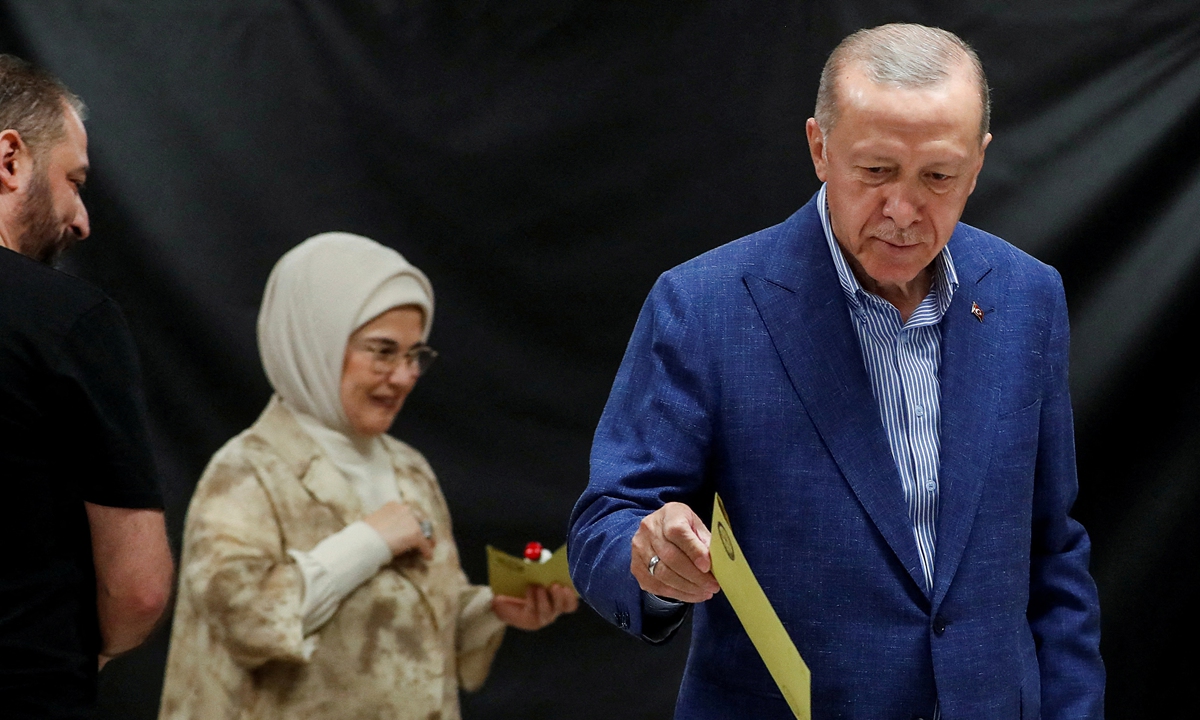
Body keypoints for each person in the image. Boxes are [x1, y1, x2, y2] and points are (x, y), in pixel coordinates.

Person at [568, 23, 1104, 719]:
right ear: (820, 148)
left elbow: (1053, 548)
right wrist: (652, 561)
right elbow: (607, 523)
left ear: (978, 163)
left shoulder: (1028, 296)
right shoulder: (704, 305)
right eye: (876, 171)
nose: (903, 211)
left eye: (938, 177)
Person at [159, 232, 577, 719]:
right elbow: (246, 621)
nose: (404, 376)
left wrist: (493, 611)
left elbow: (421, 631)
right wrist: (369, 541)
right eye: (383, 351)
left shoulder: (409, 469)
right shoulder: (245, 472)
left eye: (414, 355)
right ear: (315, 343)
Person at [0, 54, 174, 716]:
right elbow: (139, 589)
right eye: (73, 180)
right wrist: (75, 653)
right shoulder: (68, 320)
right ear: (10, 160)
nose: (82, 220)